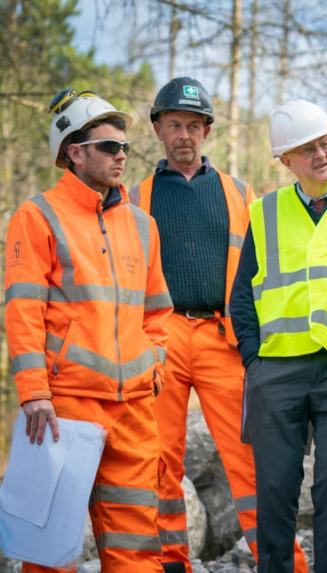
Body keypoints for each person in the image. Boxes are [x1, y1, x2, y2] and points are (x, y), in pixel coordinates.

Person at [130, 77, 306, 573]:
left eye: (192, 125)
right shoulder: (134, 199)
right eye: (173, 125)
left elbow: (263, 270)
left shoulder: (238, 192)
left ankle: (282, 562)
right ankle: (170, 562)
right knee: (159, 457)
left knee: (250, 456)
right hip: (159, 337)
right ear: (158, 130)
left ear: (206, 130)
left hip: (220, 337)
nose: (183, 134)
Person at [5, 88, 172, 571]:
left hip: (135, 408)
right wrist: (34, 392)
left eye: (124, 147)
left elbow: (158, 311)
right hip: (64, 409)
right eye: (108, 146)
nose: (121, 155)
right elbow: (23, 309)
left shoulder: (143, 225)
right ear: (74, 153)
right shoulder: (37, 217)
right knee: (50, 551)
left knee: (138, 548)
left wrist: (154, 366)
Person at [230, 99, 327, 573]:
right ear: (285, 160)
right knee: (274, 489)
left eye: (326, 143)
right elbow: (242, 296)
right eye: (308, 148)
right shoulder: (264, 213)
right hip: (277, 371)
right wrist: (254, 359)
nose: (321, 155)